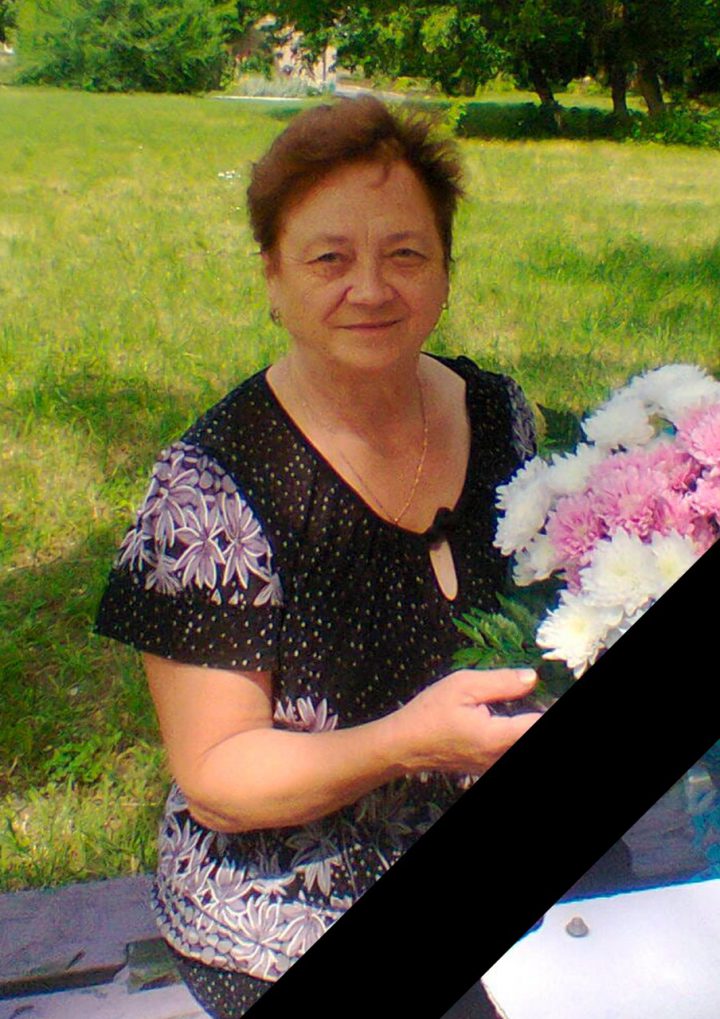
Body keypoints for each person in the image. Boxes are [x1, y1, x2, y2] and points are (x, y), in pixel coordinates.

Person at [94, 96, 541, 1018]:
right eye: (329, 258)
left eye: (405, 254)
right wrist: (406, 743)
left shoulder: (501, 416)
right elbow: (217, 777)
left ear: (446, 270)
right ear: (273, 275)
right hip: (288, 910)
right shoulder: (210, 486)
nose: (370, 289)